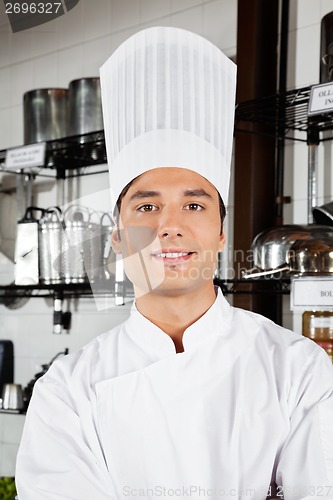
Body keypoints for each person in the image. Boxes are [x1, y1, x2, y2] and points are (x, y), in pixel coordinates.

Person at [16, 27, 333, 500]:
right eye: (146, 207)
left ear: (222, 233)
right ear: (119, 238)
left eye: (194, 205)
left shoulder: (298, 369)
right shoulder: (68, 389)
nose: (169, 226)